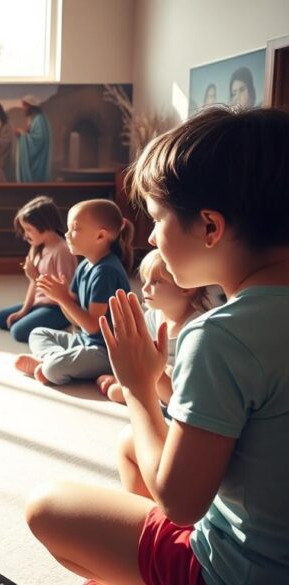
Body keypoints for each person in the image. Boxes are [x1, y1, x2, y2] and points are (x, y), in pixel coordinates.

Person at [26, 106, 289, 585]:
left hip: (239, 571)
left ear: (210, 227)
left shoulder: (219, 335)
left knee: (46, 506)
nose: (149, 237)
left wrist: (139, 387)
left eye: (156, 219)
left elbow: (181, 505)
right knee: (134, 446)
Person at [15, 199, 133, 385]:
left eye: (75, 229)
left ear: (100, 236)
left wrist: (63, 298)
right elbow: (74, 320)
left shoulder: (106, 271)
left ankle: (52, 363)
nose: (67, 235)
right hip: (84, 340)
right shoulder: (85, 265)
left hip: (108, 351)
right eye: (68, 228)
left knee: (54, 369)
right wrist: (60, 299)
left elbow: (93, 326)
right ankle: (53, 360)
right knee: (37, 333)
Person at [96, 249, 210, 405]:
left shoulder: (197, 329)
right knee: (114, 391)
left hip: (177, 388)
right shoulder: (152, 316)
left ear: (186, 288)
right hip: (155, 378)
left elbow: (190, 385)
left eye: (156, 281)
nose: (144, 288)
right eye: (144, 280)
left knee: (117, 390)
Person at [0, 196, 77, 343]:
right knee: (0, 318)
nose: (26, 235)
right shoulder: (37, 247)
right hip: (39, 303)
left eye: (28, 230)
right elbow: (34, 284)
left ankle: (59, 323)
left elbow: (68, 293)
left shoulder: (62, 251)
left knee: (18, 332)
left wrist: (35, 277)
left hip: (58, 308)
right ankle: (34, 317)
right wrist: (23, 311)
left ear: (45, 225)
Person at [16, 95, 52, 182]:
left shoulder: (39, 120)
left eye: (24, 105)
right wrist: (25, 133)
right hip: (37, 161)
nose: (23, 108)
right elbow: (33, 136)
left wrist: (22, 133)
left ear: (30, 106)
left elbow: (38, 140)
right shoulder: (36, 119)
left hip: (38, 163)